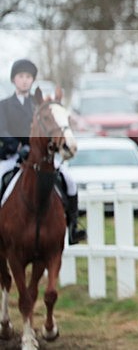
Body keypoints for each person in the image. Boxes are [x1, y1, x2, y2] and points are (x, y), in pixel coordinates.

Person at [0, 59, 87, 244]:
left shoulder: (40, 106)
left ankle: (73, 227)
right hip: (13, 155)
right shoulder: (5, 105)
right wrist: (17, 146)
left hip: (40, 157)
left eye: (28, 77)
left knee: (69, 181)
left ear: (32, 80)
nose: (24, 80)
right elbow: (2, 130)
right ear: (14, 79)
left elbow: (52, 128)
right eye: (21, 76)